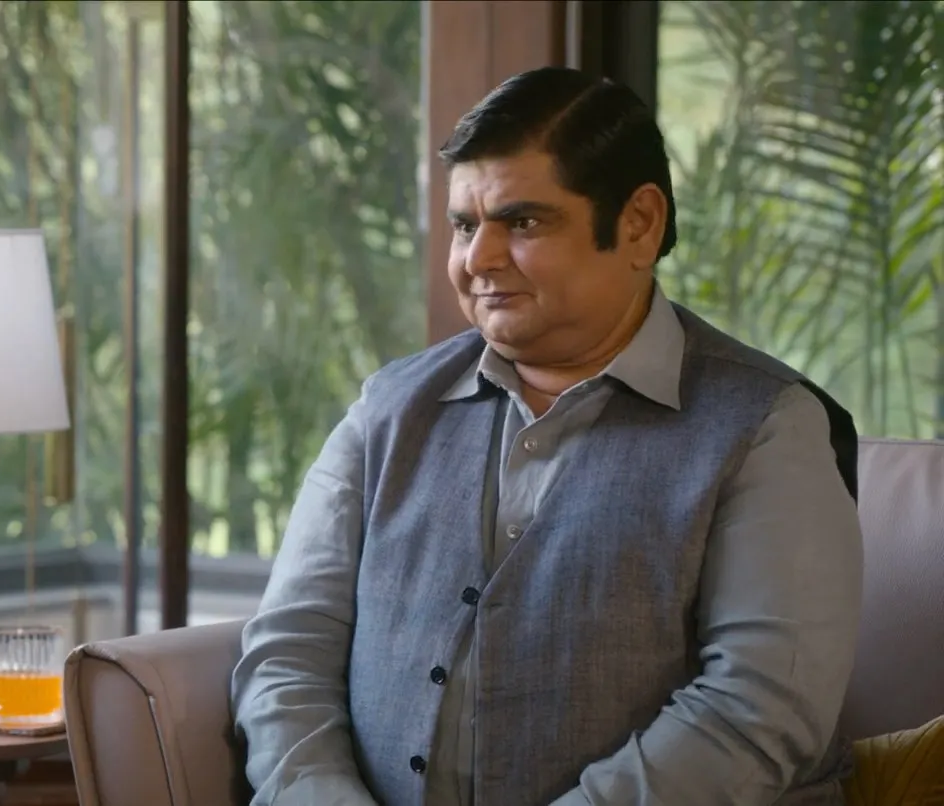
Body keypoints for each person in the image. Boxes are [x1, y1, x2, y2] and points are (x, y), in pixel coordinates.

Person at [232, 67, 864, 806]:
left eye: (523, 222)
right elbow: (288, 653)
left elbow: (757, 711)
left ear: (638, 224)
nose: (478, 259)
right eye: (464, 226)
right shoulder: (388, 409)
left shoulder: (767, 426)